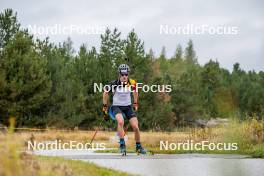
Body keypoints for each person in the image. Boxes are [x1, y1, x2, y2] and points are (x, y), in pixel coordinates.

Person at [102, 64, 146, 155]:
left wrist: (135, 103)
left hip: (128, 107)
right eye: (122, 75)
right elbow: (105, 93)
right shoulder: (114, 83)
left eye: (126, 74)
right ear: (119, 74)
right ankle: (122, 145)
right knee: (121, 122)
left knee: (136, 127)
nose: (124, 76)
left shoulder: (132, 82)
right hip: (116, 107)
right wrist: (105, 106)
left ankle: (138, 147)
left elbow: (135, 92)